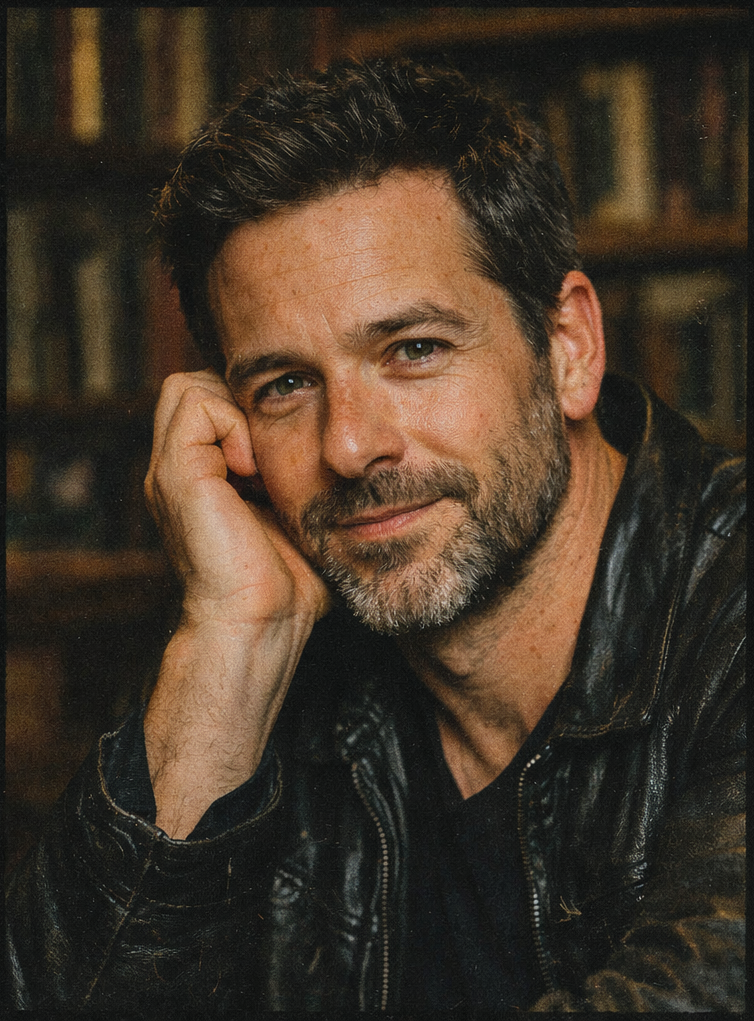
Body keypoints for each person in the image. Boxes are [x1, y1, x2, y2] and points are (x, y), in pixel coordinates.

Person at [6, 58, 744, 1013]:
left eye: (414, 349)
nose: (349, 446)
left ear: (569, 347)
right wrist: (233, 638)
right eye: (285, 384)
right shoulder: (258, 670)